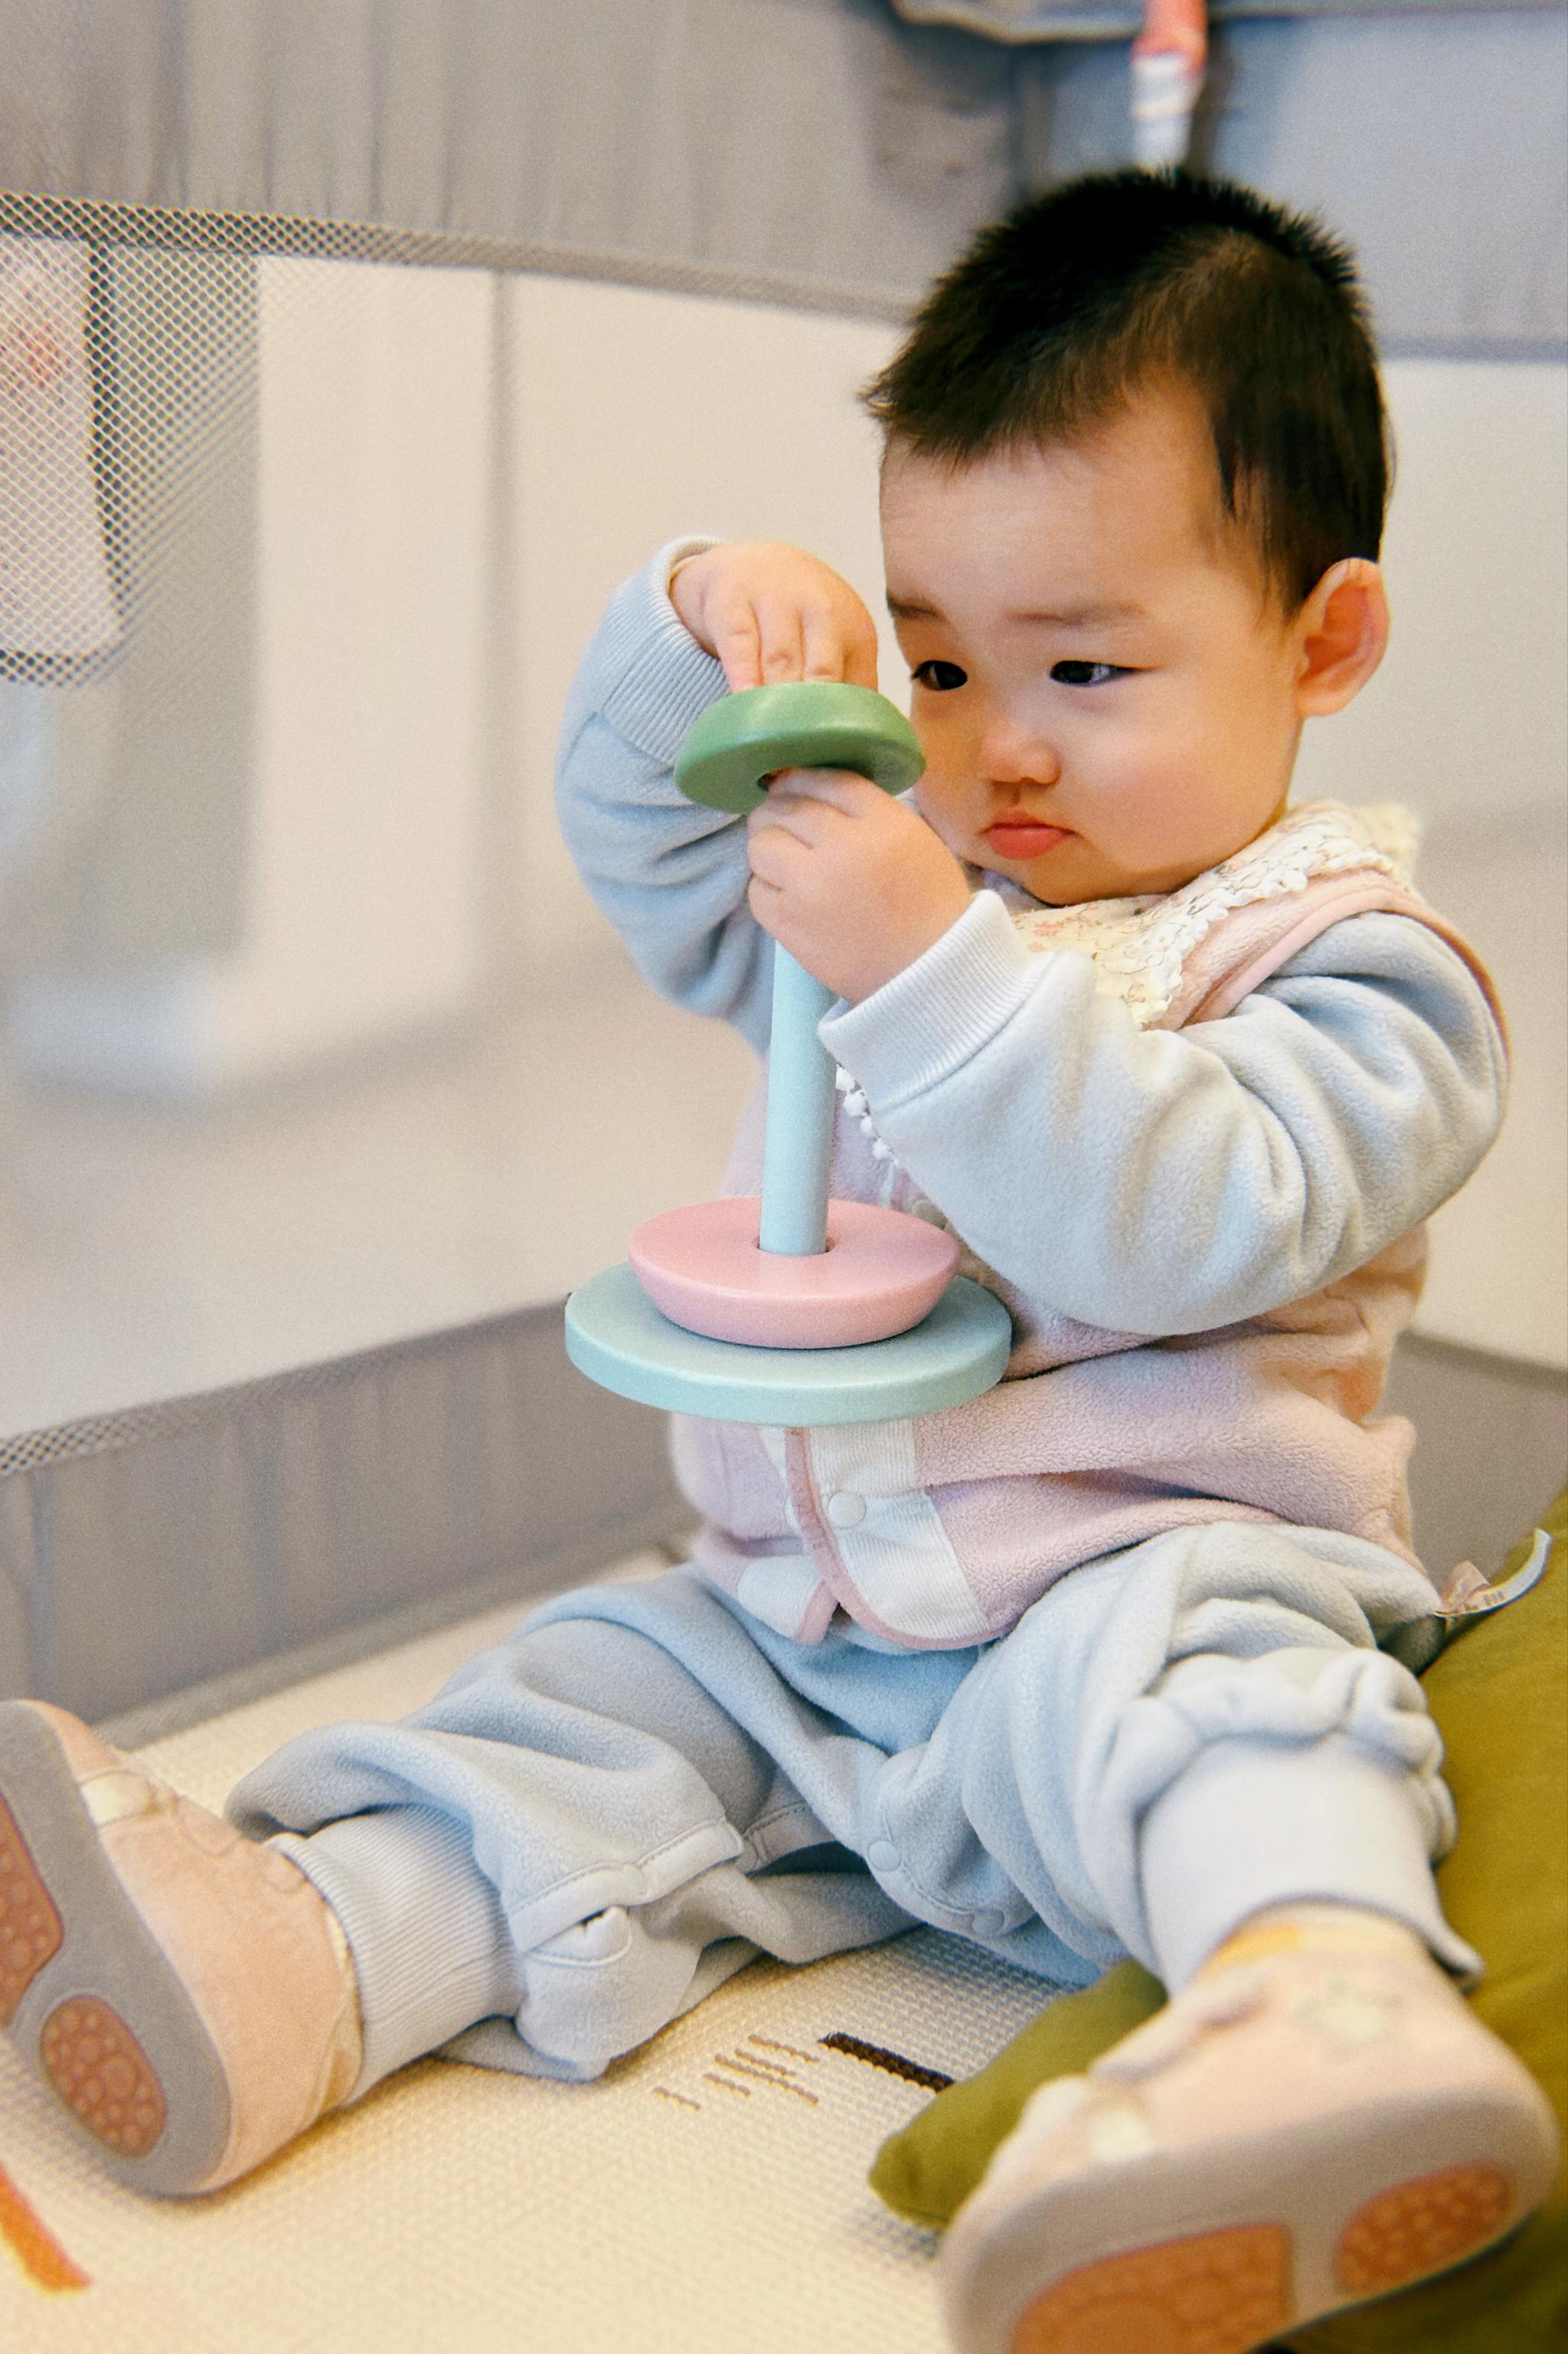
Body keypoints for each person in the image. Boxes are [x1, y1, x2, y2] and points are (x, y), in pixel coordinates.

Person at [0, 171, 1557, 2352]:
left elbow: (1190, 1212)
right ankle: (306, 1960)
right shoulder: (894, 880)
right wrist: (703, 634)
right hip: (804, 1628)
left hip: (1126, 1595)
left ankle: (1322, 2003)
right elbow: (654, 847)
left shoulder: (1360, 973)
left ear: (1322, 638)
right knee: (584, 1713)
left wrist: (926, 963)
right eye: (935, 656)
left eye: (1088, 666)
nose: (991, 744)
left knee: (1240, 1704)